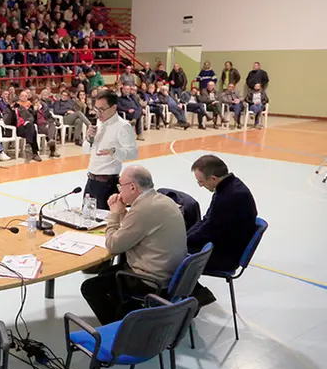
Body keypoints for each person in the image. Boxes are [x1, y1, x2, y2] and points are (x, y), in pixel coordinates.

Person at [80, 165, 187, 324]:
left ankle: (120, 329)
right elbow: (137, 228)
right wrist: (123, 211)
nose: (118, 190)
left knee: (91, 287)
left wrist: (115, 214)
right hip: (173, 274)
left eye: (120, 186)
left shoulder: (143, 209)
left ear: (132, 187)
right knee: (106, 273)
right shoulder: (160, 200)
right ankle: (124, 314)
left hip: (151, 280)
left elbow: (113, 245)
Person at [187, 155, 258, 306]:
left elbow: (209, 230)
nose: (200, 185)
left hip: (226, 256)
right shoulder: (228, 186)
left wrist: (182, 241)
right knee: (180, 247)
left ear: (213, 178)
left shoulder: (229, 197)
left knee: (173, 257)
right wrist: (186, 236)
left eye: (201, 181)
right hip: (224, 244)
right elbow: (207, 220)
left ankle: (196, 295)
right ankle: (196, 292)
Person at [83, 91, 139, 210]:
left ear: (113, 107)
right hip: (91, 180)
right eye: (96, 109)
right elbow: (85, 150)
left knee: (104, 223)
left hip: (107, 184)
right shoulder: (98, 123)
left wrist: (115, 152)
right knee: (86, 219)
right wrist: (88, 138)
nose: (98, 113)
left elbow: (133, 153)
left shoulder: (123, 126)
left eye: (102, 109)